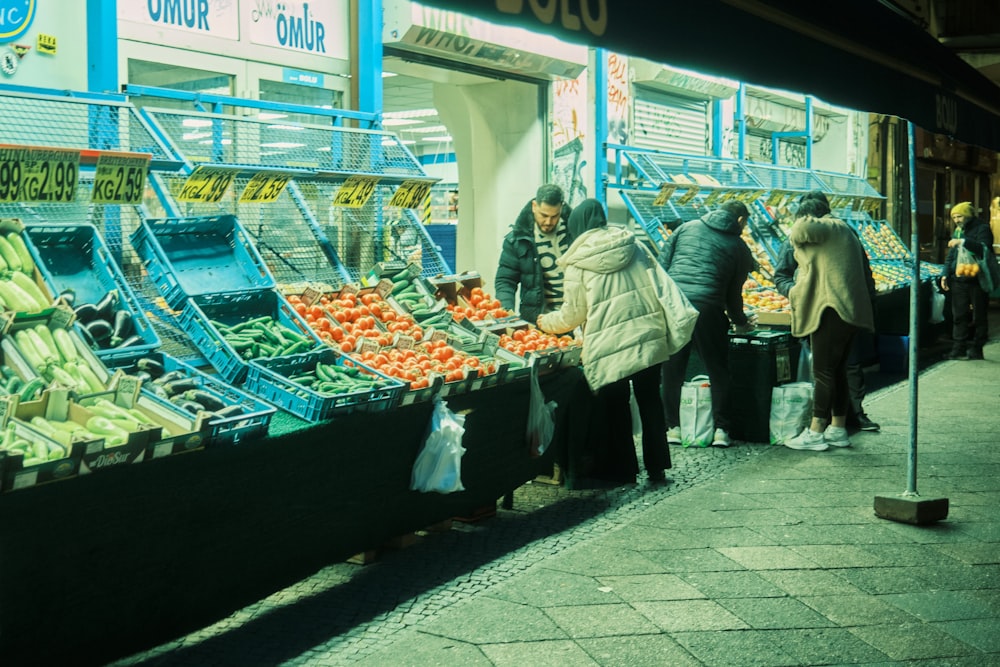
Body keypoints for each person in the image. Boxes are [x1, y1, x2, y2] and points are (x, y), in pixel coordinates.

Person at [537, 199, 675, 484]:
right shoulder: (635, 246)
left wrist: (544, 322)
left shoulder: (578, 262)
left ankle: (625, 470)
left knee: (617, 404)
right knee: (650, 400)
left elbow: (572, 315)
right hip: (649, 334)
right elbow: (662, 286)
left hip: (612, 343)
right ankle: (657, 466)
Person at [773, 191, 880, 432]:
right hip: (845, 310)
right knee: (838, 370)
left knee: (823, 372)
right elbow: (782, 274)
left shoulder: (830, 230)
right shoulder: (841, 232)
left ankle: (816, 430)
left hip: (828, 309)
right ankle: (838, 427)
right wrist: (796, 292)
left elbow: (798, 230)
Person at [659, 199, 755, 448]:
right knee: (718, 369)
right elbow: (734, 295)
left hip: (677, 305)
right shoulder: (739, 247)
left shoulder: (685, 228)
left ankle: (673, 428)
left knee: (672, 368)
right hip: (709, 308)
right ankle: (721, 430)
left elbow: (661, 267)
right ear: (741, 221)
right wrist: (740, 323)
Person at [495, 183, 572, 324]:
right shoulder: (518, 240)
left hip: (574, 320)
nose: (548, 222)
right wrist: (505, 312)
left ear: (561, 207)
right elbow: (506, 280)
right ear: (534, 206)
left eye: (554, 216)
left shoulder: (575, 231)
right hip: (538, 322)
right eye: (544, 215)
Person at [940, 201, 994, 361]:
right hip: (959, 280)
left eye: (959, 216)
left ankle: (977, 347)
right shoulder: (958, 231)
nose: (956, 219)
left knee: (979, 316)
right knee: (959, 315)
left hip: (977, 280)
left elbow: (984, 248)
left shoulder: (982, 229)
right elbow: (951, 255)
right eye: (954, 217)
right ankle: (959, 349)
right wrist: (945, 274)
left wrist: (963, 242)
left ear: (968, 215)